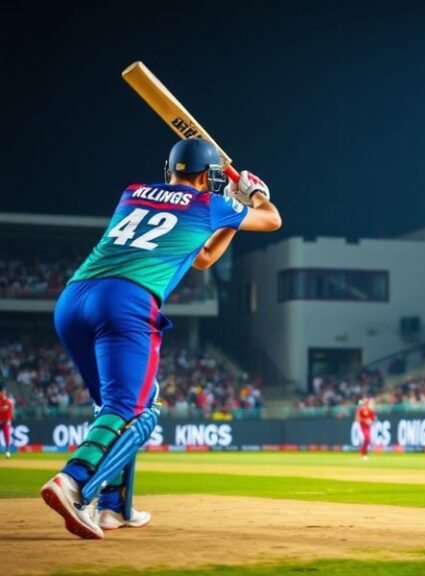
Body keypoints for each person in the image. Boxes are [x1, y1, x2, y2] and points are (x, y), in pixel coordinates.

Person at [40, 139, 281, 539]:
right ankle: (74, 482)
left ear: (170, 171)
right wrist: (253, 193)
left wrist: (231, 218)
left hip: (73, 300)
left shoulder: (132, 192)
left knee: (117, 406)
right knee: (139, 410)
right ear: (208, 177)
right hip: (126, 302)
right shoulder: (209, 205)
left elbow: (201, 257)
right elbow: (271, 219)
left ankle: (114, 509)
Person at [0, 386, 14, 458]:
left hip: (5, 421)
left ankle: (7, 451)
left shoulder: (8, 401)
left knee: (7, 435)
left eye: (3, 392)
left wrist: (8, 420)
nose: (2, 394)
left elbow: (10, 413)